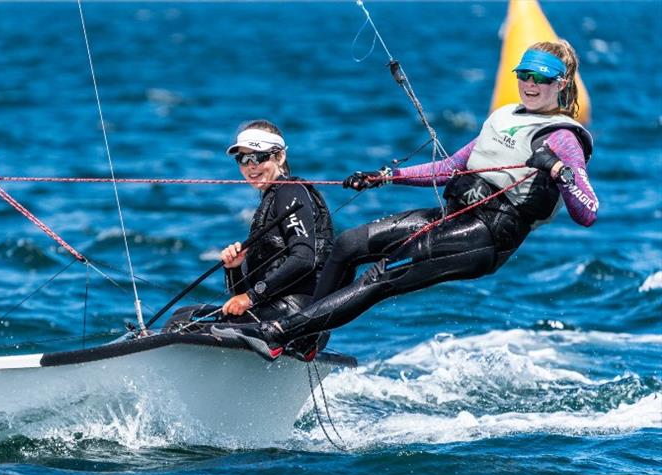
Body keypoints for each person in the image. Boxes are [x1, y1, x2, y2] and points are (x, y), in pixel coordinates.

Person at [213, 40, 599, 359]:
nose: (530, 85)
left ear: (561, 83)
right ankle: (307, 336)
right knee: (349, 244)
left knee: (382, 277)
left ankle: (280, 332)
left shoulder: (563, 137)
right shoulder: (505, 116)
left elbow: (588, 211)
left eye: (541, 79)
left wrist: (558, 170)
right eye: (524, 75)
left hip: (488, 236)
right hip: (454, 215)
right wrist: (386, 176)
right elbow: (451, 168)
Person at [167, 120, 333, 356]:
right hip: (279, 314)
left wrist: (252, 297)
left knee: (180, 325)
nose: (251, 167)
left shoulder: (289, 191)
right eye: (243, 159)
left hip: (295, 317)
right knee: (184, 314)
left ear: (280, 157)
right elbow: (240, 298)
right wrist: (235, 268)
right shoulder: (271, 200)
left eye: (259, 157)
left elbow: (305, 257)